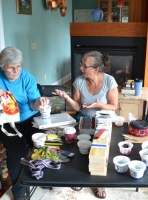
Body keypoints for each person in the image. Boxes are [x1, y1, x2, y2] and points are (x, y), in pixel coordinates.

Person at [0, 47, 49, 200]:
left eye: (19, 67)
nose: (16, 71)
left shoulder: (26, 77)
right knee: (17, 151)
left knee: (41, 142)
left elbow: (33, 104)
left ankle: (41, 175)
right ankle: (19, 192)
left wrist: (40, 102)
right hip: (5, 121)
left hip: (29, 116)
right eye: (11, 68)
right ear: (2, 65)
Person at [54, 51, 118, 199]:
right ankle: (80, 178)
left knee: (100, 152)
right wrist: (65, 97)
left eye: (84, 65)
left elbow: (114, 106)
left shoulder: (109, 81)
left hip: (104, 121)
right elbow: (77, 107)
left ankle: (99, 182)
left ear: (96, 69)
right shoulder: (79, 82)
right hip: (84, 120)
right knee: (82, 148)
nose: (81, 68)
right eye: (81, 64)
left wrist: (99, 104)